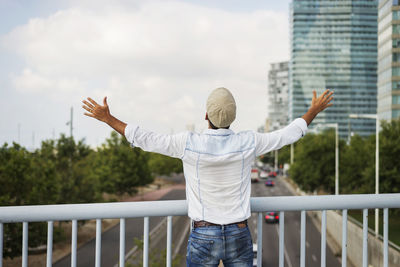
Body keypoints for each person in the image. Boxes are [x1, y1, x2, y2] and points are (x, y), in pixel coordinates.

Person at [82, 87, 333, 266]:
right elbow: (289, 134)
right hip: (239, 233)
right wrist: (313, 110)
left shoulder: (187, 143)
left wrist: (107, 118)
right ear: (233, 117)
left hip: (203, 235)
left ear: (206, 116)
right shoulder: (249, 142)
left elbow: (144, 138)